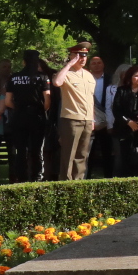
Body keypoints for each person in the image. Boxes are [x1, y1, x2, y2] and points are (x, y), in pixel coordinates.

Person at [2, 52, 52, 182]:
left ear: (24, 62)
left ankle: (21, 178)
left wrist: (19, 108)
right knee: (36, 149)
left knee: (20, 150)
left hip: (19, 116)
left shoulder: (13, 78)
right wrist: (41, 110)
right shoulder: (42, 77)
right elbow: (47, 100)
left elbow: (7, 102)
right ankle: (36, 178)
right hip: (37, 116)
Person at [50, 43, 96, 181]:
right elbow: (57, 82)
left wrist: (92, 118)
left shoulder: (89, 76)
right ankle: (65, 182)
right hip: (71, 119)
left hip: (87, 119)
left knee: (82, 154)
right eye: (78, 56)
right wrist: (69, 64)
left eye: (85, 56)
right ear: (71, 56)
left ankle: (78, 182)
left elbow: (90, 99)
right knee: (68, 154)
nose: (82, 59)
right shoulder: (66, 74)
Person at [87, 54, 115, 178]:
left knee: (107, 152)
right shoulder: (86, 79)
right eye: (93, 63)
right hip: (90, 120)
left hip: (106, 121)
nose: (97, 65)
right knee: (88, 152)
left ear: (103, 64)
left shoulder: (111, 79)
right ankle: (86, 178)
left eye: (99, 63)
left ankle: (108, 177)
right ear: (89, 66)